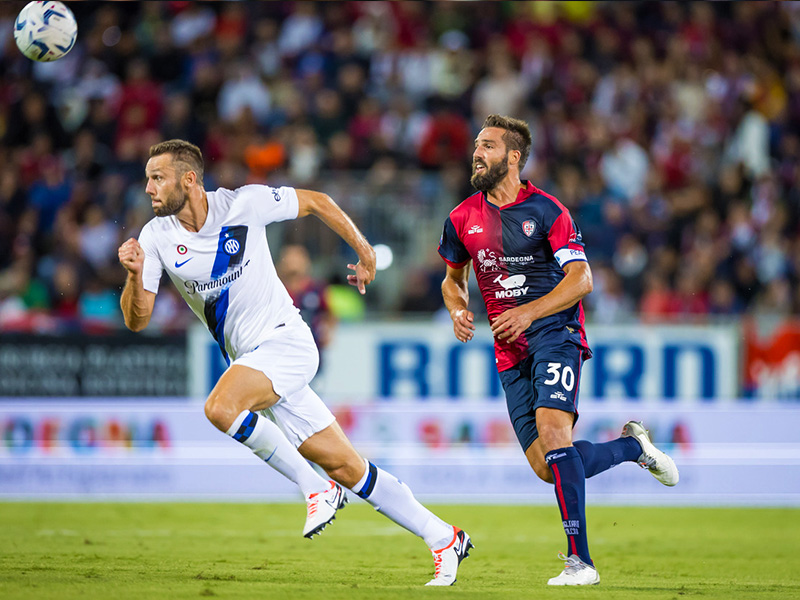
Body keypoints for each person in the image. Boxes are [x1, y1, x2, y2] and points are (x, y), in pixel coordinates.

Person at [118, 139, 472, 586]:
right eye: (148, 178)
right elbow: (137, 319)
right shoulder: (155, 237)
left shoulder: (244, 203)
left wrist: (365, 253)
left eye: (157, 177)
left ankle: (315, 488)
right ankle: (444, 537)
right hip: (256, 365)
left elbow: (317, 202)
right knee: (349, 467)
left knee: (220, 408)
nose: (148, 188)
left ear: (189, 179)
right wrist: (133, 276)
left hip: (287, 344)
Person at [438, 115, 678, 586]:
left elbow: (582, 279)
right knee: (550, 467)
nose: (476, 152)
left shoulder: (548, 211)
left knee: (553, 434)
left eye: (487, 145)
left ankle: (580, 563)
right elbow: (452, 279)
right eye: (475, 145)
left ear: (513, 157)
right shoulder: (461, 218)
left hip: (556, 335)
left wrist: (529, 313)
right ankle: (633, 447)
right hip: (509, 354)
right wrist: (456, 309)